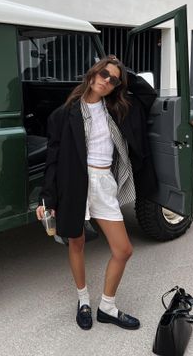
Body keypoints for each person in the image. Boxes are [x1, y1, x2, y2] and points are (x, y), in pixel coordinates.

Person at [36, 55, 157, 330]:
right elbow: (52, 160)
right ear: (93, 73)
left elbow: (147, 94)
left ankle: (107, 307)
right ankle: (83, 302)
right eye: (104, 74)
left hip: (104, 183)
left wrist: (121, 69)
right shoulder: (62, 115)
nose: (107, 81)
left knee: (123, 250)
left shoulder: (118, 109)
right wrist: (47, 199)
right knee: (76, 243)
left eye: (114, 80)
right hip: (74, 182)